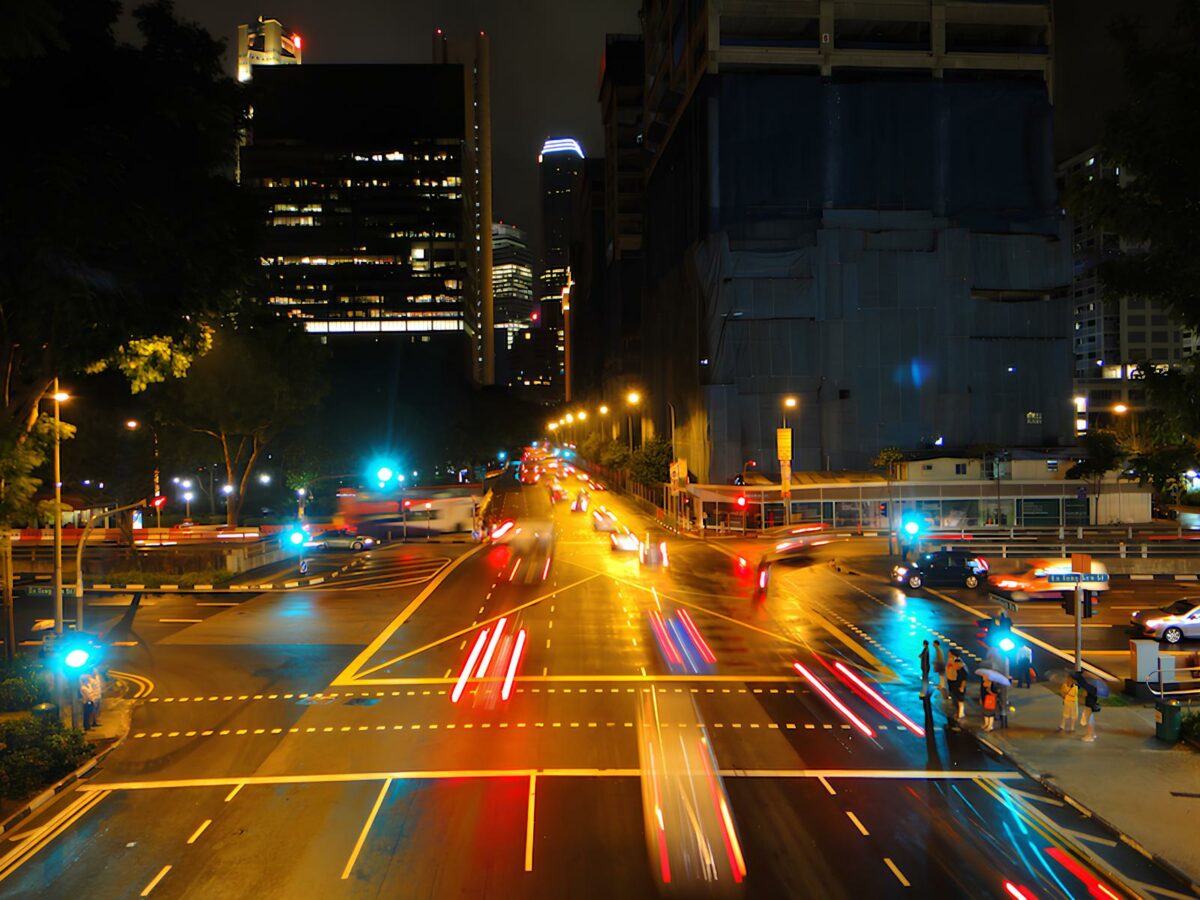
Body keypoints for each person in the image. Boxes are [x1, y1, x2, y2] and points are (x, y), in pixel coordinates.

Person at [1080, 677, 1100, 742]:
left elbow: (1084, 695)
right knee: (1091, 721)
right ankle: (1092, 734)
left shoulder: (1089, 690)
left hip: (1089, 707)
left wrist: (1085, 692)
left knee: (1089, 721)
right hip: (1091, 706)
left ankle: (1089, 736)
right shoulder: (1095, 689)